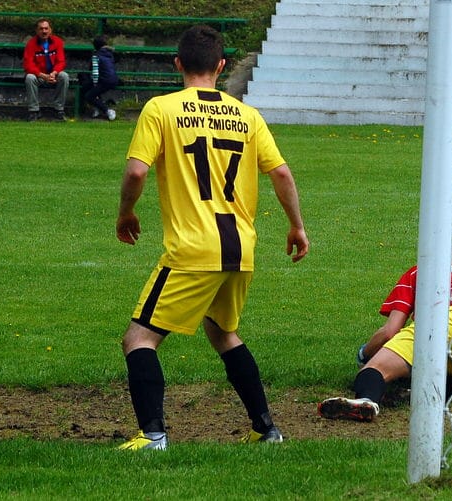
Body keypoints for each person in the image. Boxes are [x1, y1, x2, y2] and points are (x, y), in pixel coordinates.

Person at [115, 25, 309, 451]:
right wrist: (296, 225)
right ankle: (266, 429)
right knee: (223, 332)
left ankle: (152, 436)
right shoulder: (248, 115)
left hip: (193, 249)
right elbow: (280, 172)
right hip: (241, 246)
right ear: (221, 67)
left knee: (139, 339)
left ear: (178, 63)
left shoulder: (161, 110)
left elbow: (135, 171)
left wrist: (127, 211)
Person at [318, 243, 452, 422]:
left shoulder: (421, 270)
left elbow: (390, 332)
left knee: (374, 370)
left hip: (445, 322)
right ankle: (424, 391)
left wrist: (364, 354)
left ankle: (366, 400)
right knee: (437, 367)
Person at [23, 18, 70, 121]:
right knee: (29, 78)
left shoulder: (57, 42)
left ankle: (59, 109)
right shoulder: (31, 44)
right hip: (39, 75)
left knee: (64, 76)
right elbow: (28, 64)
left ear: (50, 30)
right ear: (36, 31)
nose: (44, 31)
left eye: (46, 28)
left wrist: (54, 73)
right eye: (41, 29)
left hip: (53, 75)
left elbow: (61, 61)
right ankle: (34, 111)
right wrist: (42, 75)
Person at [79, 34, 119, 120]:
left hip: (104, 80)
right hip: (114, 79)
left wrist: (95, 84)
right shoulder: (110, 54)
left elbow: (95, 73)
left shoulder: (96, 56)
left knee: (89, 96)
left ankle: (107, 110)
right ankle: (98, 107)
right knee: (90, 87)